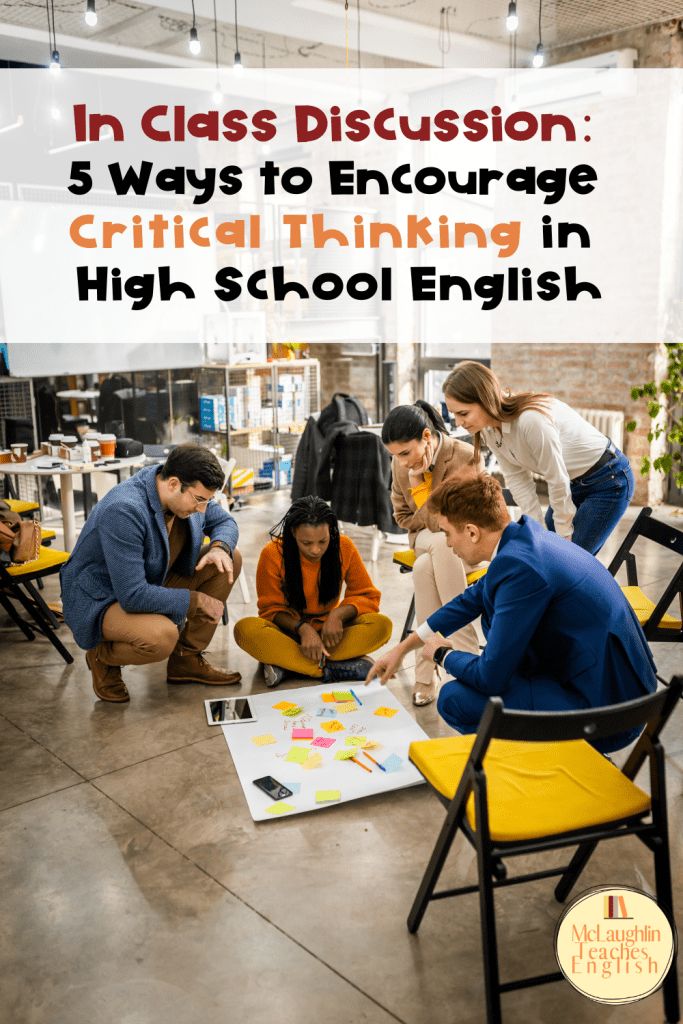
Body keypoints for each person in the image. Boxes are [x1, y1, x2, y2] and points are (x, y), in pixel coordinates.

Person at [367, 473, 657, 752]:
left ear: (471, 531)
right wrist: (404, 648)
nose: (448, 543)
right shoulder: (523, 540)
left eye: (447, 533)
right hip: (621, 686)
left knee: (454, 698)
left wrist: (442, 655)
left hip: (611, 713)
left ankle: (538, 763)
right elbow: (470, 599)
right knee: (493, 641)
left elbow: (490, 677)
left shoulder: (520, 568)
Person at [61, 444, 243, 703]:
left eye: (207, 501)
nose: (202, 509)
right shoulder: (124, 509)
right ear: (173, 483)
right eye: (199, 500)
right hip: (101, 597)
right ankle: (102, 654)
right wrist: (194, 601)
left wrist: (220, 547)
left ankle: (186, 660)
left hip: (150, 578)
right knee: (161, 637)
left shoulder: (184, 491)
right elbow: (132, 595)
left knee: (229, 559)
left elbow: (225, 521)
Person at [442, 361, 634, 555]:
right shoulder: (488, 430)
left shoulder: (530, 420)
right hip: (572, 482)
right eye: (454, 415)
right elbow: (517, 479)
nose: (458, 422)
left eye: (463, 413)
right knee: (546, 549)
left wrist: (563, 533)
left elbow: (556, 478)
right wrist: (537, 531)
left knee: (568, 559)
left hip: (609, 480)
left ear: (485, 399)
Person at [234, 496, 392, 686]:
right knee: (245, 630)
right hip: (289, 633)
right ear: (293, 533)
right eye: (306, 543)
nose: (316, 550)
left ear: (331, 533)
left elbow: (366, 595)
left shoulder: (344, 547)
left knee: (382, 625)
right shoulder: (273, 553)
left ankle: (289, 666)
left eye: (323, 541)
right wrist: (303, 629)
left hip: (331, 635)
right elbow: (270, 610)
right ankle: (328, 669)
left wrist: (337, 616)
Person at [382, 400, 480, 706]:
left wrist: (425, 497)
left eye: (405, 453)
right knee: (435, 544)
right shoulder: (401, 467)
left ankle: (426, 675)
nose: (402, 461)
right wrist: (428, 506)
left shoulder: (463, 456)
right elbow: (402, 519)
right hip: (424, 538)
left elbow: (472, 516)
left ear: (427, 437)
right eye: (395, 455)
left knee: (425, 568)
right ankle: (468, 660)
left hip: (466, 543)